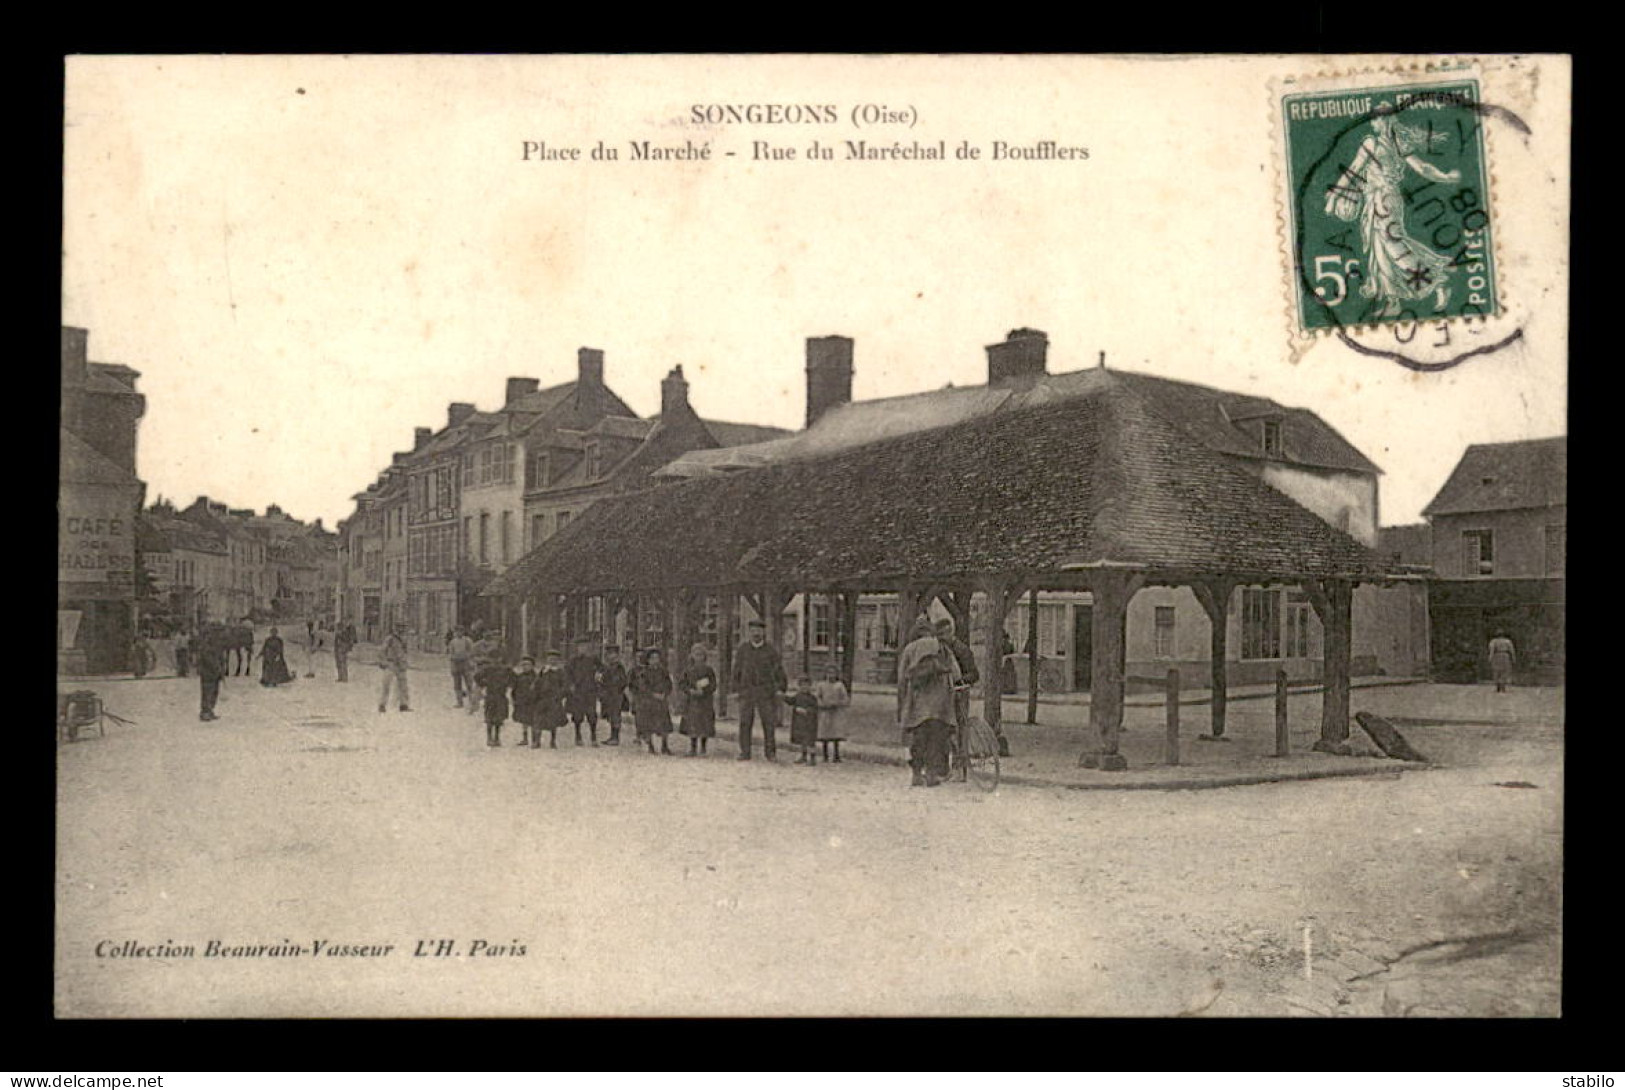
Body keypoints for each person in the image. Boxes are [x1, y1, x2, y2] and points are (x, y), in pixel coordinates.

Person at [897, 616, 961, 787]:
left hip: (918, 702)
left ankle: (917, 774)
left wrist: (903, 702)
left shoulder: (910, 648)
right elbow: (956, 673)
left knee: (919, 739)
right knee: (937, 739)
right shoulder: (942, 647)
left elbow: (902, 677)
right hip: (941, 704)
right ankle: (932, 774)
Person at [938, 616, 1008, 757]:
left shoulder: (962, 650)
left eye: (943, 635)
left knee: (958, 729)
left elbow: (974, 674)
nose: (941, 639)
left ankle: (960, 761)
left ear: (950, 632)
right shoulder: (940, 649)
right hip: (944, 694)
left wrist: (959, 681)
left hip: (958, 693)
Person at [731, 618, 787, 761]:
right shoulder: (743, 650)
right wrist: (736, 689)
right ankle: (745, 752)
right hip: (747, 691)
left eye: (759, 630)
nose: (756, 633)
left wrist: (780, 687)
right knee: (745, 722)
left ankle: (770, 753)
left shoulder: (770, 651)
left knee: (768, 722)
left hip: (765, 691)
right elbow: (736, 670)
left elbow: (779, 671)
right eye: (753, 630)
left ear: (764, 632)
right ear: (749, 632)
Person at [631, 648, 674, 755]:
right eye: (653, 658)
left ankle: (665, 745)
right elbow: (643, 687)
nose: (655, 661)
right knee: (648, 725)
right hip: (649, 702)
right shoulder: (644, 673)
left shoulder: (663, 672)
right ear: (648, 660)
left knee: (664, 725)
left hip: (661, 701)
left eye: (657, 658)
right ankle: (650, 746)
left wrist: (665, 693)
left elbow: (669, 684)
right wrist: (653, 694)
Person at [678, 643, 718, 757]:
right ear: (692, 656)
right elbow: (682, 684)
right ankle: (693, 747)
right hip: (693, 702)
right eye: (696, 654)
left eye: (701, 654)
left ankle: (704, 747)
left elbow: (713, 684)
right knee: (693, 724)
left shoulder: (709, 670)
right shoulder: (688, 670)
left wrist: (705, 691)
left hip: (705, 701)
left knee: (705, 724)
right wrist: (690, 691)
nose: (698, 657)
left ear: (704, 656)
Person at [565, 637, 603, 747]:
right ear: (577, 648)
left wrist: (598, 675)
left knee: (592, 715)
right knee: (577, 715)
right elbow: (567, 674)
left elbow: (602, 669)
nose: (583, 649)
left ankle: (593, 737)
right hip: (578, 692)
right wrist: (571, 685)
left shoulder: (594, 659)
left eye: (585, 646)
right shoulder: (573, 660)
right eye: (581, 646)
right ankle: (578, 736)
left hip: (590, 691)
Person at [475, 654, 515, 748]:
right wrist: (483, 684)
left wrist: (508, 685)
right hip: (490, 695)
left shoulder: (506, 669)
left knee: (499, 718)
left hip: (501, 695)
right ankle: (489, 737)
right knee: (489, 717)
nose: (496, 661)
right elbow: (476, 677)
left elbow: (514, 678)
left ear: (500, 658)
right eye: (493, 658)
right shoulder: (488, 669)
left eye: (497, 658)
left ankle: (497, 737)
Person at [813, 664, 850, 764]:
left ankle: (836, 755)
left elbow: (845, 698)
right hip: (825, 712)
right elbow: (817, 697)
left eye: (833, 673)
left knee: (836, 733)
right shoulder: (821, 685)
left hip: (836, 712)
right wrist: (822, 704)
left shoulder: (840, 685)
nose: (831, 675)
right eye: (829, 672)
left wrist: (838, 703)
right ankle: (825, 755)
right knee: (825, 733)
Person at [533, 650, 569, 748]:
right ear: (547, 660)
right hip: (542, 699)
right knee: (539, 720)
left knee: (553, 721)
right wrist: (536, 694)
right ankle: (537, 741)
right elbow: (536, 683)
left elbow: (565, 685)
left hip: (554, 699)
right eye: (550, 659)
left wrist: (560, 695)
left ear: (557, 660)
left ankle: (553, 741)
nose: (552, 661)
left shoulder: (560, 672)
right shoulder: (543, 670)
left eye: (554, 659)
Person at [598, 645, 630, 746]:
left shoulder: (619, 667)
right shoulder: (607, 667)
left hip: (616, 695)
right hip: (608, 695)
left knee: (615, 716)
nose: (611, 657)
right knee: (610, 716)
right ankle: (612, 736)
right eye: (609, 654)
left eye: (613, 654)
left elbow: (623, 681)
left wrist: (615, 685)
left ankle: (615, 737)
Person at [784, 675, 821, 765]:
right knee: (802, 741)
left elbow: (815, 709)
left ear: (810, 686)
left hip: (809, 723)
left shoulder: (812, 698)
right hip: (799, 723)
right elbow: (791, 701)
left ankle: (812, 758)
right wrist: (783, 697)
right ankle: (803, 756)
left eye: (807, 685)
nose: (804, 687)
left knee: (810, 741)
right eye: (802, 685)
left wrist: (806, 711)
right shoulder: (798, 696)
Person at [377, 623, 411, 712]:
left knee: (403, 686)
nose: (401, 629)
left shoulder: (404, 639)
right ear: (395, 628)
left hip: (400, 665)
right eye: (399, 627)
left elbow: (404, 652)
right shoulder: (390, 639)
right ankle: (382, 704)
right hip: (391, 663)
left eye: (403, 627)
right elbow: (382, 650)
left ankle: (404, 705)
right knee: (386, 685)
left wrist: (405, 662)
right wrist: (384, 661)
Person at [196, 625, 225, 722]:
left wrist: (221, 669)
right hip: (208, 673)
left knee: (214, 692)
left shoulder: (217, 645)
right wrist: (216, 667)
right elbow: (207, 658)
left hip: (215, 673)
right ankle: (205, 712)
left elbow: (220, 658)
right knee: (207, 692)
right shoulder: (206, 645)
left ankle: (210, 710)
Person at [509, 656, 539, 748]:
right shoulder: (519, 677)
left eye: (527, 665)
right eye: (523, 665)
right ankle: (525, 738)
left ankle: (535, 740)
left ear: (532, 666)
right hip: (521, 701)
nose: (525, 667)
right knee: (523, 720)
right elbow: (514, 688)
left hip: (533, 701)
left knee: (534, 721)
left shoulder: (536, 677)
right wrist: (514, 699)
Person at [447, 627, 475, 707]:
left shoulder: (467, 641)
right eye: (457, 631)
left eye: (460, 631)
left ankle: (471, 701)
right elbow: (450, 654)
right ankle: (459, 702)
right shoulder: (452, 642)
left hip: (465, 664)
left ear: (463, 632)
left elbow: (471, 652)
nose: (459, 633)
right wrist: (452, 666)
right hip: (456, 664)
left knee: (469, 683)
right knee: (457, 684)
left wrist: (468, 659)